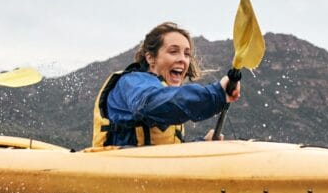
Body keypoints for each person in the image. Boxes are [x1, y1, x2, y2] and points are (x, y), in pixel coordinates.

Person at [92, 22, 241, 147]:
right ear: (150, 58)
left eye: (187, 54)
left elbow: (168, 154)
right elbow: (150, 104)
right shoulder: (133, 82)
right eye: (173, 51)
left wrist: (201, 145)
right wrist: (216, 94)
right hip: (121, 170)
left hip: (151, 173)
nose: (183, 59)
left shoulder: (169, 96)